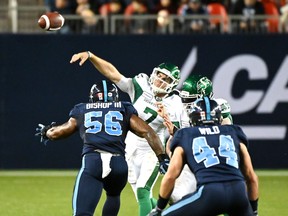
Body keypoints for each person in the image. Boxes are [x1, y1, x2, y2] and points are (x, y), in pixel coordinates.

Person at [70, 51, 182, 216]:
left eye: (166, 80)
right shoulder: (141, 86)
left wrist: (167, 153)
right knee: (140, 195)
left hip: (153, 148)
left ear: (173, 85)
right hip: (129, 146)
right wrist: (91, 56)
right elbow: (113, 75)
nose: (160, 80)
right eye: (159, 76)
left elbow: (176, 135)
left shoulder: (174, 103)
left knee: (144, 191)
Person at [35, 80, 169, 216]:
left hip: (94, 161)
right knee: (113, 196)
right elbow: (148, 132)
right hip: (119, 164)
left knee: (82, 213)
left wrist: (47, 132)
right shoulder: (123, 108)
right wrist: (162, 157)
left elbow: (59, 132)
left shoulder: (82, 109)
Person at [149, 97, 259, 216]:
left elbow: (171, 176)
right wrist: (253, 211)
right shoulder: (233, 132)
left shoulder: (185, 135)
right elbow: (251, 177)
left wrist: (159, 208)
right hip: (238, 193)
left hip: (210, 193)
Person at [157, 74, 234, 205]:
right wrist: (170, 157)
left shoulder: (218, 109)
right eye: (184, 99)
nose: (185, 104)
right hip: (191, 162)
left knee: (227, 200)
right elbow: (174, 140)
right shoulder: (179, 109)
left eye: (190, 100)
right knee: (175, 196)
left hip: (214, 162)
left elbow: (226, 140)